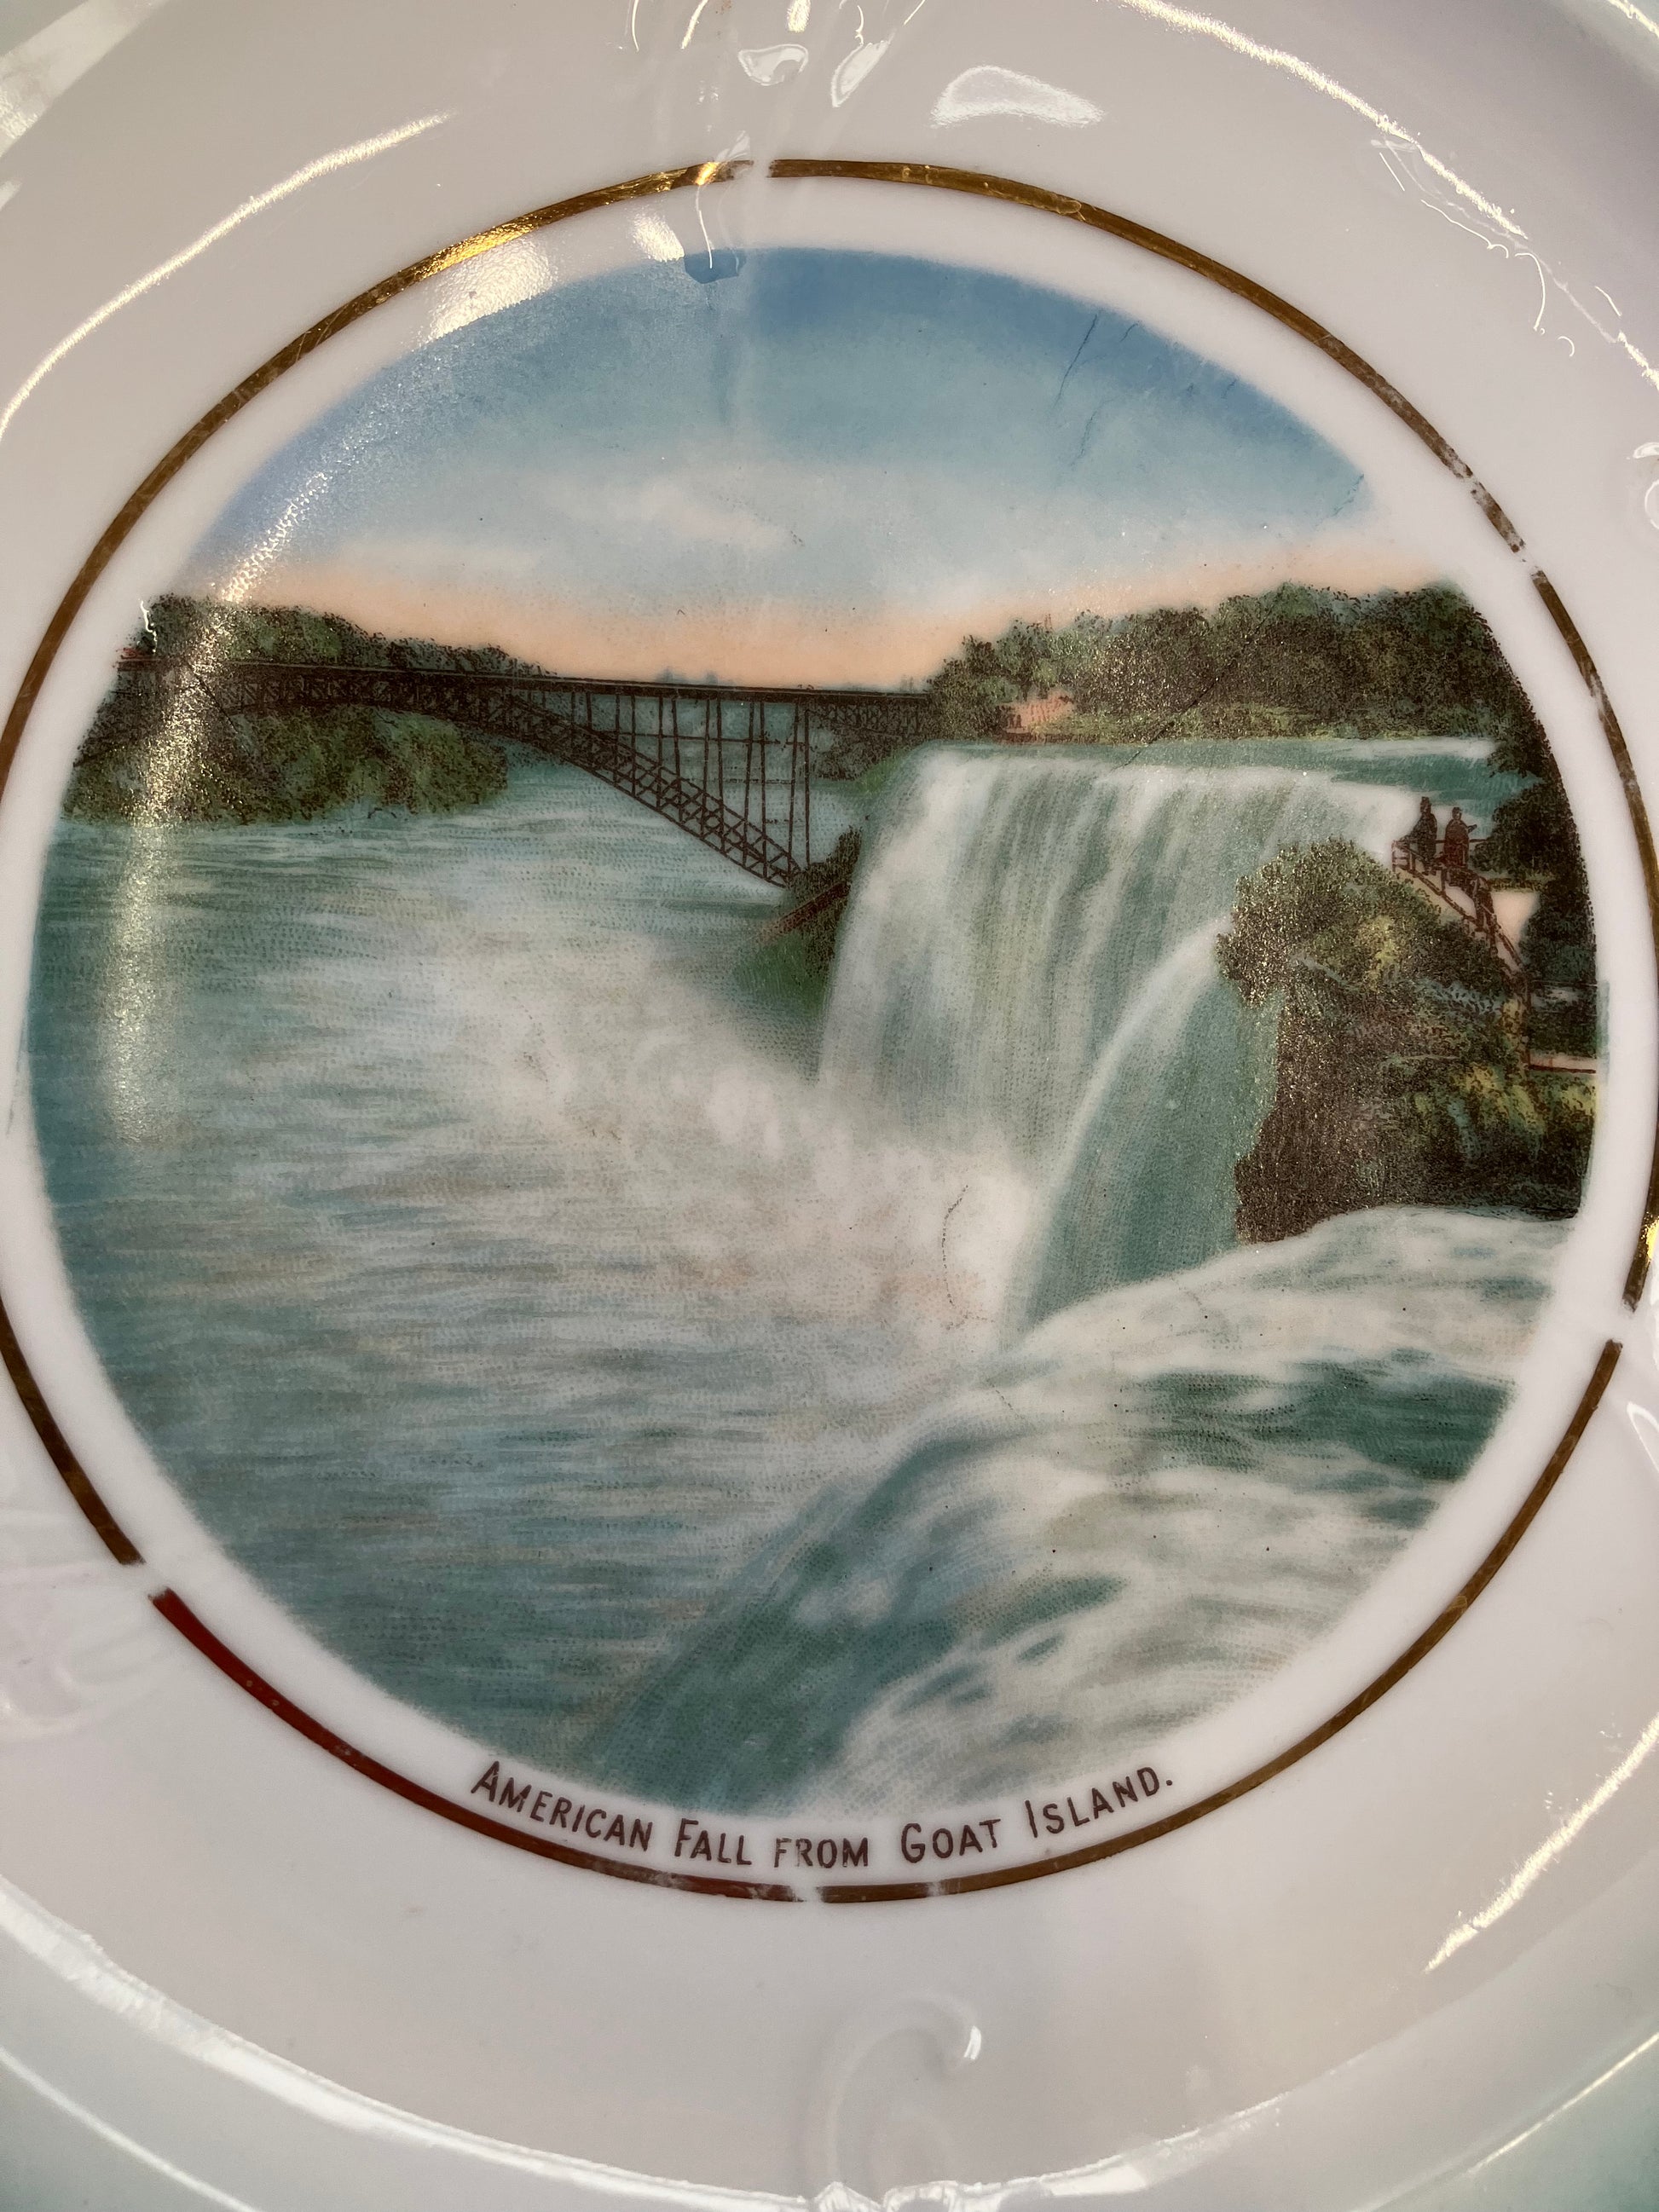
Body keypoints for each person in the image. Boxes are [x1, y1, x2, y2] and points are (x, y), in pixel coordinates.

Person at [1406, 795, 1438, 869]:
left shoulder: (1430, 818)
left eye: (1424, 806)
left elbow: (1431, 831)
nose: (1421, 808)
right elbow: (1416, 830)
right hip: (1423, 845)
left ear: (1428, 807)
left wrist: (1411, 837)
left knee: (1427, 860)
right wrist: (1409, 837)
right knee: (1424, 860)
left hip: (1428, 845)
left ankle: (1429, 869)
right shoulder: (1423, 818)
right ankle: (1428, 869)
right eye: (1422, 806)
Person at [1441, 806, 1472, 872]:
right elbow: (1447, 837)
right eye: (1454, 813)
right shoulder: (1450, 824)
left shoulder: (1462, 825)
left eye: (1457, 813)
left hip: (1460, 851)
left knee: (1460, 868)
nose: (1455, 814)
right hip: (1450, 850)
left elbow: (1465, 837)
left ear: (1460, 814)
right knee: (1451, 867)